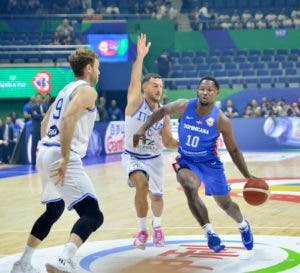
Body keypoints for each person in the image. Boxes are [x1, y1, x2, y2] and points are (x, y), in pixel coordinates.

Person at [133, 76, 256, 252]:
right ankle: (209, 232)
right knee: (188, 185)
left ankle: (243, 225)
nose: (205, 92)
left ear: (216, 94)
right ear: (197, 90)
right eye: (202, 89)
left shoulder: (222, 120)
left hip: (210, 164)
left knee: (226, 204)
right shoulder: (184, 105)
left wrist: (247, 175)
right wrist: (142, 129)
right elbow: (161, 112)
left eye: (209, 90)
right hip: (188, 161)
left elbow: (234, 151)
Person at [10, 47, 103, 273]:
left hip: (45, 151)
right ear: (89, 68)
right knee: (93, 214)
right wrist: (63, 156)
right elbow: (68, 119)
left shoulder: (65, 90)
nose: (99, 72)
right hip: (61, 154)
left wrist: (50, 149)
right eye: (98, 67)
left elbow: (44, 122)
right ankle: (64, 259)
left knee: (54, 210)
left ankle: (23, 262)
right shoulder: (88, 91)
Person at [122, 33, 178, 250]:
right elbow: (134, 79)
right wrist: (140, 58)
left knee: (157, 196)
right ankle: (142, 230)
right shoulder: (135, 102)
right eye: (154, 85)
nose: (158, 88)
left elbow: (168, 140)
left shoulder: (164, 113)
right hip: (132, 156)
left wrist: (183, 146)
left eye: (160, 86)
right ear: (146, 88)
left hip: (154, 158)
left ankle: (157, 227)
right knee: (141, 185)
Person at [30, 94, 49, 169]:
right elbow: (35, 116)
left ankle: (45, 163)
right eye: (37, 97)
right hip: (35, 130)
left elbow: (47, 116)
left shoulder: (45, 106)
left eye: (39, 97)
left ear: (41, 98)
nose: (38, 99)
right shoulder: (32, 107)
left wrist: (41, 115)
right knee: (33, 147)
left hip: (43, 130)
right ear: (35, 99)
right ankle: (33, 164)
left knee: (45, 147)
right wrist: (42, 115)